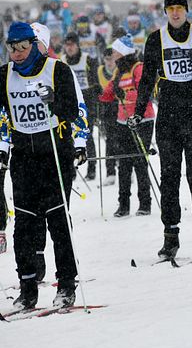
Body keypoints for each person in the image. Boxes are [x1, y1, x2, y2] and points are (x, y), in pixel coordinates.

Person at [130, 0, 192, 259]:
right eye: (170, 8)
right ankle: (170, 237)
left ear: (186, 10)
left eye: (179, 8)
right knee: (169, 178)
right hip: (169, 114)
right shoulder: (155, 39)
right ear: (165, 11)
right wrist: (139, 112)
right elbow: (147, 80)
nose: (175, 12)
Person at [0, 22, 86, 309]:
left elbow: (73, 111)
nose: (18, 53)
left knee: (58, 223)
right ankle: (27, 288)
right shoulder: (5, 75)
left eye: (24, 47)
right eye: (12, 47)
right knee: (23, 225)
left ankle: (66, 285)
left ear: (34, 45)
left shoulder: (57, 70)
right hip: (23, 156)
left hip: (54, 154)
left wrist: (54, 101)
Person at [99, 36, 155, 217]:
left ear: (122, 52)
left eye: (115, 51)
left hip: (142, 120)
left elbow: (144, 91)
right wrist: (99, 95)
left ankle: (145, 203)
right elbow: (107, 95)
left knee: (140, 161)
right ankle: (123, 204)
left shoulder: (137, 68)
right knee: (123, 163)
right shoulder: (118, 72)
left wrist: (130, 98)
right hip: (123, 121)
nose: (113, 55)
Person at [60, 32, 100, 180]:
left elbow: (95, 80)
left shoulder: (87, 59)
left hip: (86, 100)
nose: (69, 48)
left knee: (86, 136)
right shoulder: (62, 60)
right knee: (69, 137)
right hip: (69, 101)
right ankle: (72, 168)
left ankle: (92, 169)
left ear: (77, 45)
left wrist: (96, 93)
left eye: (72, 44)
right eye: (67, 45)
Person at [96, 48, 119, 186]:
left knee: (123, 140)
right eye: (107, 59)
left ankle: (125, 168)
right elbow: (96, 88)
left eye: (112, 59)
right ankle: (110, 173)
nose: (110, 62)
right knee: (109, 140)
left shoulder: (120, 70)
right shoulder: (99, 71)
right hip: (107, 109)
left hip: (120, 107)